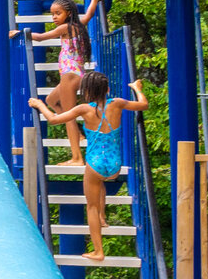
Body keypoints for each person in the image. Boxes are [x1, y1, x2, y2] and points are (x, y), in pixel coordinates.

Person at [31, 72, 147, 261]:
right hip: (115, 164)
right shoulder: (117, 103)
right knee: (100, 183)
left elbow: (52, 119)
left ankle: (98, 250)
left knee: (90, 206)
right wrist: (137, 89)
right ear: (107, 90)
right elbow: (144, 105)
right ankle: (102, 217)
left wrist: (40, 104)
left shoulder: (84, 109)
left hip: (95, 164)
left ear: (86, 92)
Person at [10, 0, 106, 165]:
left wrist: (19, 33)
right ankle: (78, 134)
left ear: (68, 13)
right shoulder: (79, 24)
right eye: (52, 14)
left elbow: (39, 37)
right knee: (51, 100)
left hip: (69, 77)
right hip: (77, 75)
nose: (54, 17)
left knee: (68, 116)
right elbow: (90, 13)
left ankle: (77, 157)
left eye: (58, 13)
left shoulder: (65, 28)